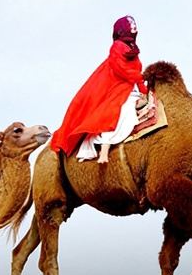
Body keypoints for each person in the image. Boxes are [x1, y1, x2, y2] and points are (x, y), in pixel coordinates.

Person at [51, 16, 150, 164]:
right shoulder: (117, 46)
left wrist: (144, 89)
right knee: (118, 113)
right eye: (130, 26)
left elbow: (135, 75)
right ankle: (104, 152)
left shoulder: (132, 49)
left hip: (129, 89)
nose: (134, 29)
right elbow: (122, 69)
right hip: (117, 90)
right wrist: (140, 79)